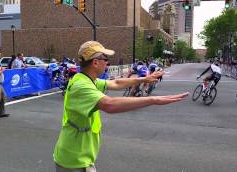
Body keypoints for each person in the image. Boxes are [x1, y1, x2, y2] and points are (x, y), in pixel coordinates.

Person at [53, 41, 189, 172]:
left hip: (80, 156)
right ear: (95, 62)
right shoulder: (81, 85)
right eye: (105, 58)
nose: (107, 62)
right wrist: (152, 100)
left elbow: (116, 83)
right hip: (74, 162)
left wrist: (144, 79)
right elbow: (109, 104)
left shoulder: (87, 79)